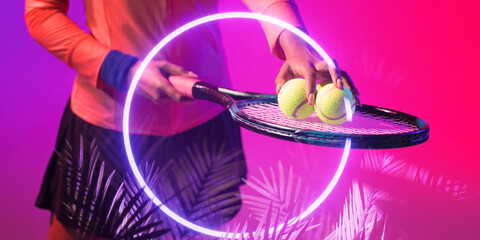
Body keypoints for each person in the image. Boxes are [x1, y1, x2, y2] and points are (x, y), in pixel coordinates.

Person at [25, 0, 360, 239]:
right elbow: (41, 12)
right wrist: (121, 69)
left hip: (204, 124)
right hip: (107, 128)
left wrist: (292, 38)